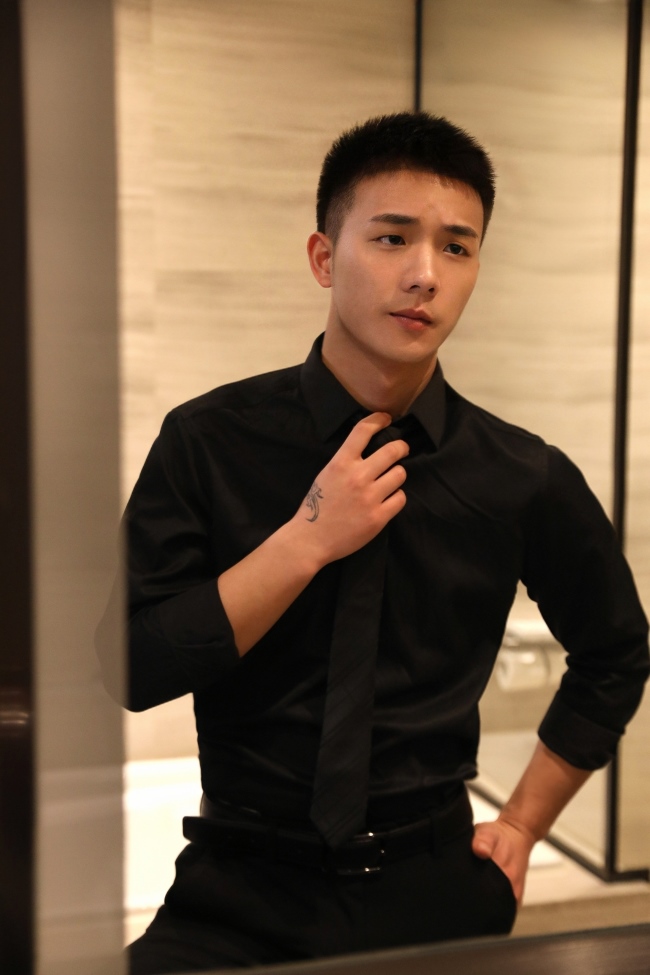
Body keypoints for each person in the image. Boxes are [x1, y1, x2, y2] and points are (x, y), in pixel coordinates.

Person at [97, 112, 649, 973]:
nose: (425, 274)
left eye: (457, 247)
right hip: (236, 888)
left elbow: (617, 651)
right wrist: (306, 541)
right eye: (392, 237)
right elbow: (128, 668)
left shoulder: (521, 473)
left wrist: (522, 823)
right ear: (324, 256)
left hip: (438, 888)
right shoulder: (209, 439)